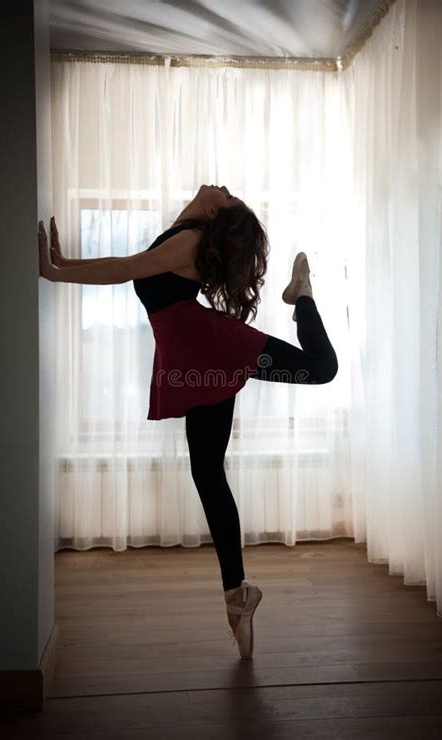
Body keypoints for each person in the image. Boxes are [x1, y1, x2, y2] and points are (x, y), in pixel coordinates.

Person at [38, 184, 338, 660]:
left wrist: (56, 271)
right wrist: (61, 264)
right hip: (198, 354)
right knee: (208, 475)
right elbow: (133, 261)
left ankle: (302, 295)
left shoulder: (191, 240)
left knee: (320, 369)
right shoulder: (184, 233)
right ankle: (237, 597)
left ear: (215, 210)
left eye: (227, 193)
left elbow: (126, 269)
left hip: (209, 347)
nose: (221, 185)